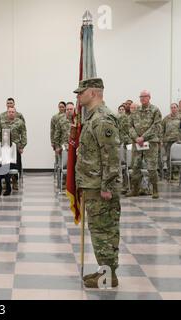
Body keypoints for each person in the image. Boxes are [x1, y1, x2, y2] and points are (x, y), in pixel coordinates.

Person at [74, 78, 121, 288]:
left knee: (105, 231)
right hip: (91, 184)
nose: (78, 96)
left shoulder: (102, 119)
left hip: (100, 187)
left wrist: (107, 186)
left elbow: (111, 156)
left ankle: (109, 276)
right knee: (99, 231)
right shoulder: (93, 117)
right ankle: (105, 270)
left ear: (92, 93)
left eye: (81, 92)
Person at [126, 90, 162, 199]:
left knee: (152, 167)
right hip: (137, 142)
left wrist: (143, 137)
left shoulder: (155, 110)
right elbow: (129, 125)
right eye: (141, 96)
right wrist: (136, 137)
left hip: (150, 143)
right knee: (135, 166)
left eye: (144, 96)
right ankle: (135, 189)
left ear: (149, 97)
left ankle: (155, 189)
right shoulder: (136, 111)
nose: (142, 98)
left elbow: (156, 126)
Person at [0, 106, 27, 190]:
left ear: (15, 113)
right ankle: (5, 181)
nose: (11, 113)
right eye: (9, 112)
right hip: (5, 147)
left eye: (13, 112)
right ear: (7, 113)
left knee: (15, 165)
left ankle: (15, 181)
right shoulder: (2, 122)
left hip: (16, 147)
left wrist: (22, 146)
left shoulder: (20, 122)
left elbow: (24, 135)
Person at [0, 130, 17, 196]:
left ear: (9, 136)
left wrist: (7, 163)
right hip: (2, 164)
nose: (5, 137)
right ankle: (0, 187)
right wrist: (0, 162)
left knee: (4, 168)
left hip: (11, 163)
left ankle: (7, 188)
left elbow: (14, 158)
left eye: (7, 135)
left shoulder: (13, 145)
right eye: (4, 135)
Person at [161, 103, 181, 179]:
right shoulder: (166, 118)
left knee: (178, 158)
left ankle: (178, 174)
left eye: (175, 107)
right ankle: (169, 174)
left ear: (178, 108)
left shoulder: (180, 117)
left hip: (178, 142)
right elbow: (162, 129)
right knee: (169, 158)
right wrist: (161, 140)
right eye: (172, 107)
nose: (173, 109)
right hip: (168, 141)